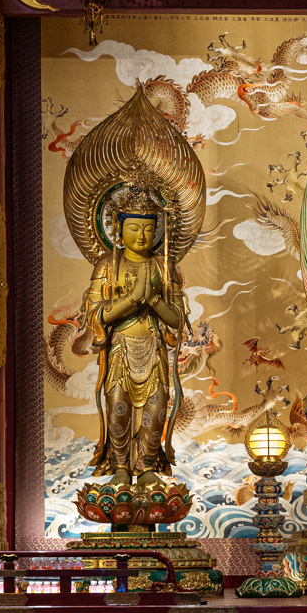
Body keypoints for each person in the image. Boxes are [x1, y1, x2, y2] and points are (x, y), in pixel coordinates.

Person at [84, 183, 187, 486]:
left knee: (157, 406)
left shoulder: (164, 266)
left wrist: (154, 299)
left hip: (153, 346)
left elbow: (178, 319)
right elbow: (96, 314)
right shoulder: (107, 264)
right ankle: (120, 466)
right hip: (120, 348)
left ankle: (147, 467)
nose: (141, 237)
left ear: (157, 230)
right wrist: (131, 299)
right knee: (118, 404)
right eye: (134, 229)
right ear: (117, 227)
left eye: (147, 229)